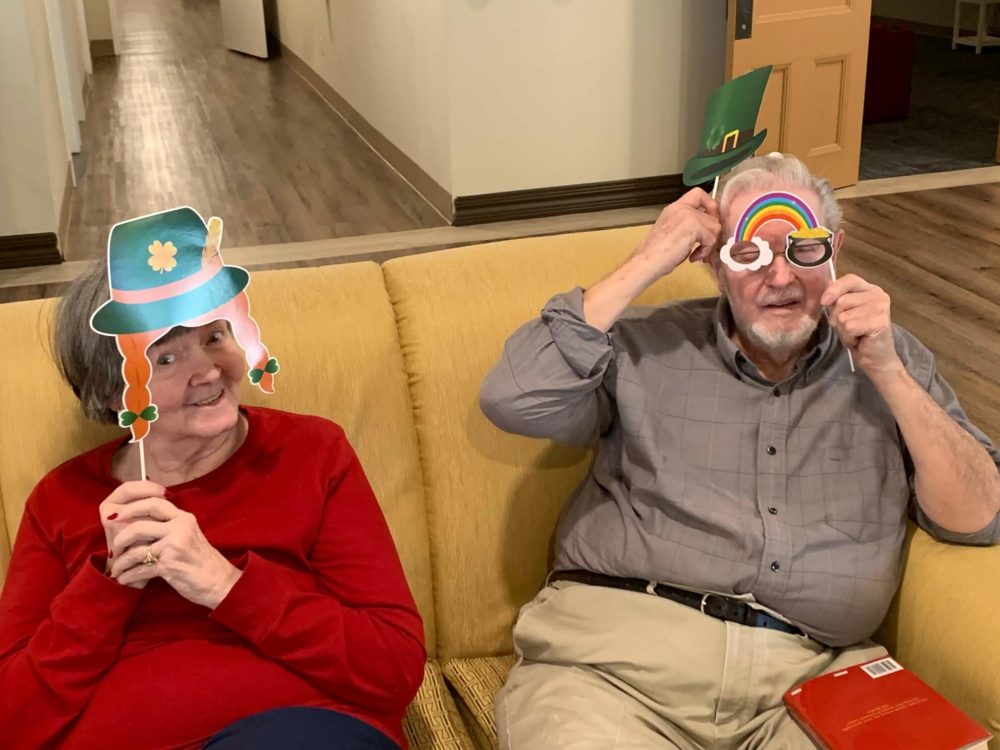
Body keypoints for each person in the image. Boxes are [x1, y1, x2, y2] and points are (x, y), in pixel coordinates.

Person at [480, 153, 1000, 749]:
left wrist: (890, 373)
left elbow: (979, 518)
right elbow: (511, 397)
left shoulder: (888, 358)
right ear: (714, 263)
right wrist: (650, 257)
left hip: (813, 683)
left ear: (835, 249)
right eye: (748, 253)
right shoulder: (642, 346)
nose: (779, 277)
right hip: (617, 663)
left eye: (804, 249)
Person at [0, 209, 425, 750]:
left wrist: (225, 584)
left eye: (215, 336)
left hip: (295, 730)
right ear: (111, 392)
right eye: (167, 357)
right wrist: (108, 585)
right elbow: (12, 720)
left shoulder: (312, 452)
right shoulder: (59, 500)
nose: (209, 370)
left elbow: (392, 667)